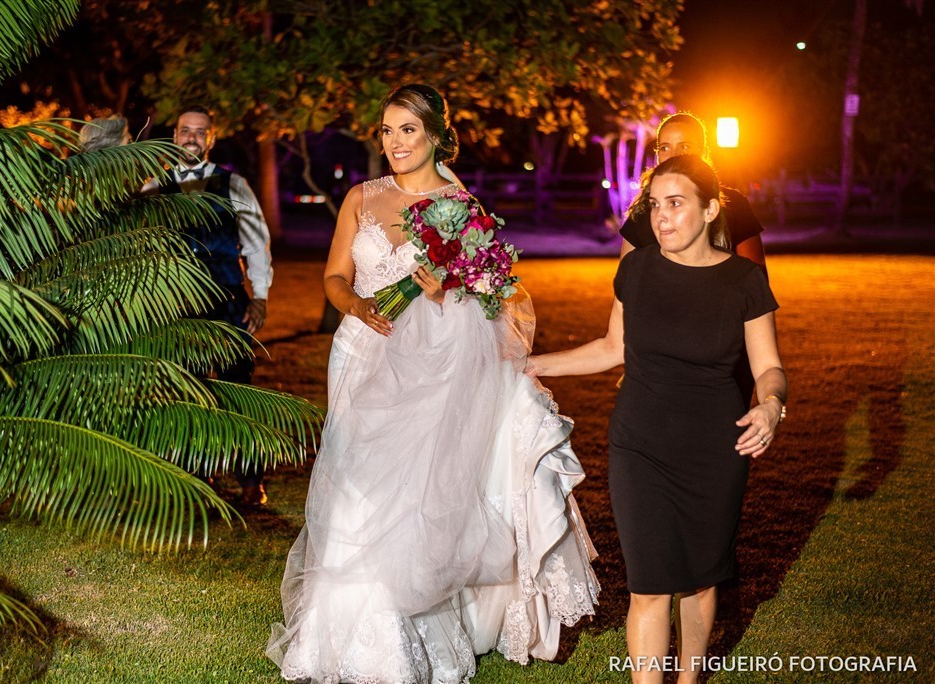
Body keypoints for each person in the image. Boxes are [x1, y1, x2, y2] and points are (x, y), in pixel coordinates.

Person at [267, 84, 600, 683]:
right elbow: (335, 276)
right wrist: (357, 307)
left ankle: (404, 625)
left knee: (416, 488)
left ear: (434, 136)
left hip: (430, 365)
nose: (394, 143)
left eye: (407, 131)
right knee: (354, 482)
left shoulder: (460, 207)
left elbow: (488, 300)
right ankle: (332, 633)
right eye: (387, 131)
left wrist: (440, 291)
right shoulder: (360, 198)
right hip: (359, 353)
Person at [527, 155, 787, 683]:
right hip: (639, 443)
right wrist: (530, 364)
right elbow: (611, 347)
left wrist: (770, 404)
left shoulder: (743, 281)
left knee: (700, 580)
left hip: (716, 447)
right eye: (654, 205)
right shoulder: (637, 268)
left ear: (711, 209)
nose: (662, 217)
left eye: (676, 204)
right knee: (647, 584)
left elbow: (770, 368)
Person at [143, 105, 273, 507]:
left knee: (237, 392)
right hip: (176, 308)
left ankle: (250, 480)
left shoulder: (234, 185)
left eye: (200, 132)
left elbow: (256, 242)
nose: (191, 138)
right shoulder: (153, 189)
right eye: (185, 130)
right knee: (186, 391)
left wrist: (261, 296)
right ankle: (198, 477)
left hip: (228, 300)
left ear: (211, 138)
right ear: (174, 134)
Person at [620, 112, 767, 274]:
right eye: (665, 148)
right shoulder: (643, 210)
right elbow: (626, 283)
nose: (673, 155)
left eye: (684, 146)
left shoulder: (734, 204)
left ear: (703, 152)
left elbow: (756, 279)